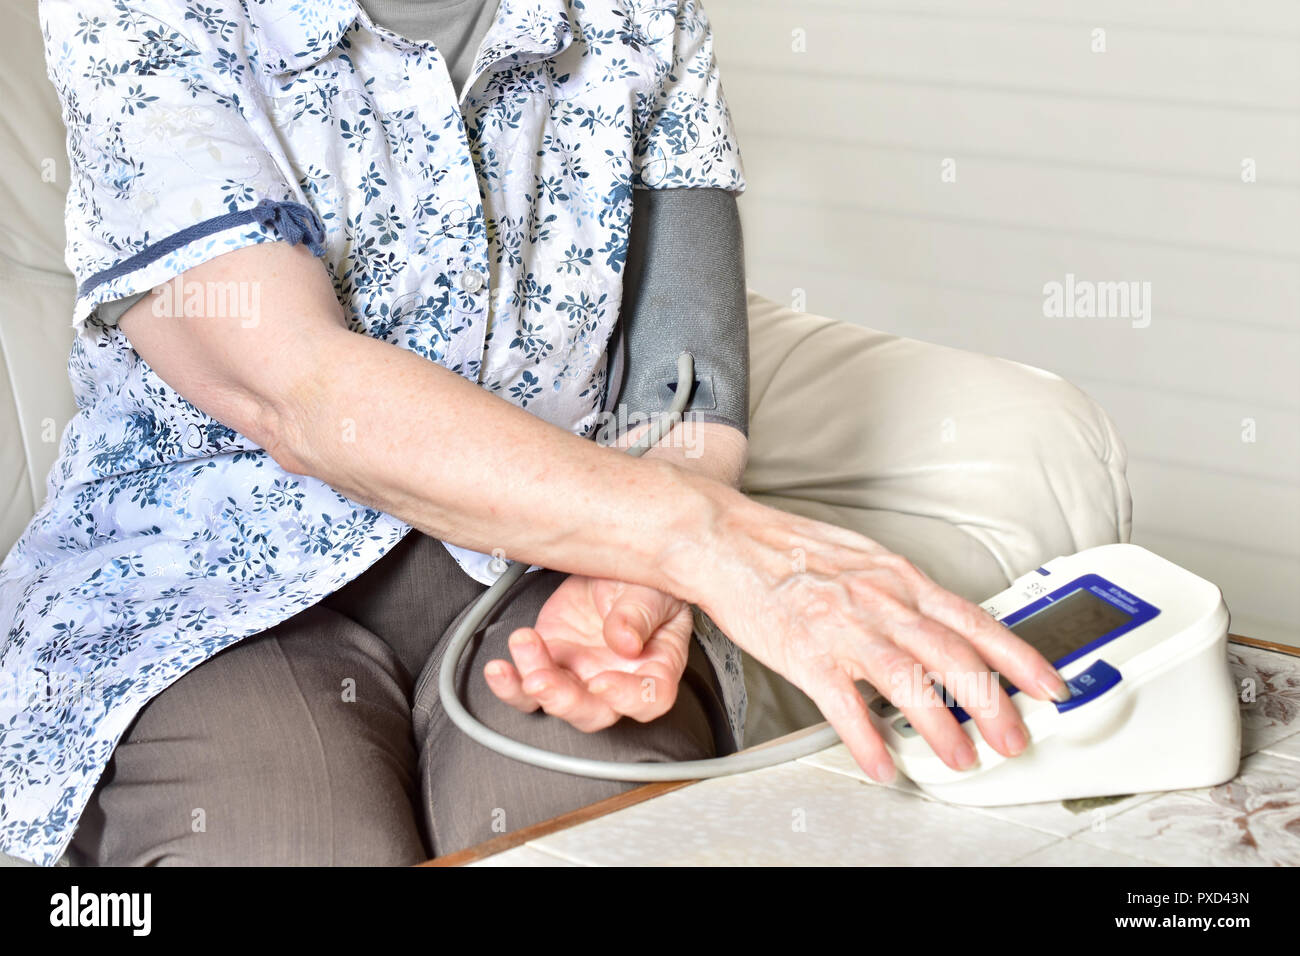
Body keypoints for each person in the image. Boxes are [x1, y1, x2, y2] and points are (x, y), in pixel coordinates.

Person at [0, 0, 1069, 866]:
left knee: (580, 833)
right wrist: (703, 541)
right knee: (297, 840)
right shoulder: (132, 13)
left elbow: (683, 373)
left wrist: (640, 577)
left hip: (552, 559)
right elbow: (295, 390)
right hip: (206, 587)